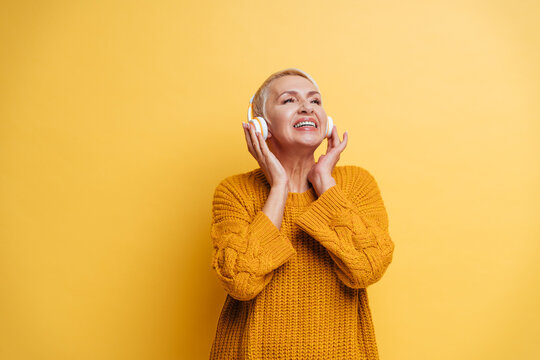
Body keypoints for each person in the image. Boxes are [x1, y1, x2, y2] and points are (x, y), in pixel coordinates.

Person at [209, 68, 395, 359]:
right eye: (289, 100)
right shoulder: (234, 192)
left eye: (315, 101)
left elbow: (368, 267)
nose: (307, 107)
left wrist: (324, 183)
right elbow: (241, 282)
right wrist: (279, 188)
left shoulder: (356, 185)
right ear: (260, 125)